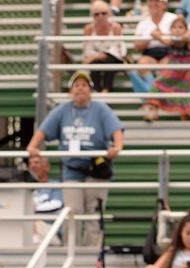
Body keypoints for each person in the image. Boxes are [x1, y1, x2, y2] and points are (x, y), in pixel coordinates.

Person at [27, 70, 123, 246]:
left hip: (96, 168)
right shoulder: (62, 110)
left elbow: (116, 129)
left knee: (93, 213)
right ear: (70, 91)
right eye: (76, 85)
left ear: (90, 91)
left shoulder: (101, 109)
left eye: (84, 85)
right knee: (73, 211)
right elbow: (43, 130)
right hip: (72, 170)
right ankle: (71, 250)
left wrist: (117, 146)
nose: (80, 89)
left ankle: (92, 252)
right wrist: (33, 146)